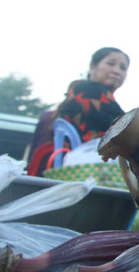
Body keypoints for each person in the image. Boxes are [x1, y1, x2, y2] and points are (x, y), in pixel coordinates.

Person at [26, 47, 129, 176]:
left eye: (123, 68)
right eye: (110, 63)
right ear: (93, 67)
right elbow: (127, 128)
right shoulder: (89, 90)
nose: (116, 70)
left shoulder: (81, 91)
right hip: (72, 171)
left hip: (65, 169)